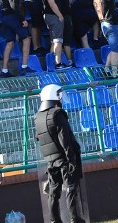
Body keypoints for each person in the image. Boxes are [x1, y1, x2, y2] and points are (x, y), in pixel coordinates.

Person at [35, 84, 85, 223]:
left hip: (50, 160)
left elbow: (38, 137)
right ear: (54, 98)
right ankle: (75, 218)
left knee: (53, 192)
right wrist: (71, 159)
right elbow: (65, 138)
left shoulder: (38, 117)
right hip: (63, 159)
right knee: (71, 188)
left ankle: (54, 220)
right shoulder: (58, 114)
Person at [42, 0, 81, 68]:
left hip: (50, 16)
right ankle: (58, 63)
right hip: (53, 16)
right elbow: (51, 2)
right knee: (58, 41)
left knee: (54, 41)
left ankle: (51, 64)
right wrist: (60, 15)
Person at [0, 0, 35, 77]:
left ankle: (4, 70)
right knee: (26, 38)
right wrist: (22, 19)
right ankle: (24, 66)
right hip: (12, 16)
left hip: (4, 17)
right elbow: (14, 5)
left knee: (10, 42)